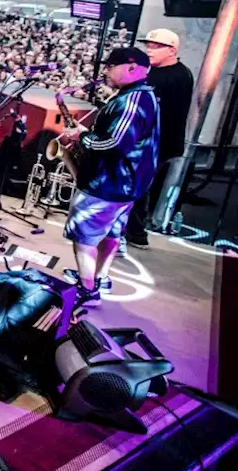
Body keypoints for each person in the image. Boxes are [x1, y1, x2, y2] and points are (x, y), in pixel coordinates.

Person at [57, 47, 160, 306]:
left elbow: (114, 144)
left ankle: (87, 290)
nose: (105, 71)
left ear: (132, 67)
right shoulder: (141, 97)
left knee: (84, 238)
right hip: (124, 184)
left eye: (110, 65)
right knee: (111, 233)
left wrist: (81, 137)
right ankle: (99, 278)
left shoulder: (132, 102)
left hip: (109, 184)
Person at [124, 29, 193, 250]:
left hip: (158, 143)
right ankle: (130, 230)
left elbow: (162, 113)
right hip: (143, 139)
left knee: (138, 185)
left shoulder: (179, 76)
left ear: (172, 50)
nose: (149, 49)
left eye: (156, 46)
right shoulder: (150, 72)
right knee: (133, 184)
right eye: (148, 45)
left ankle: (136, 233)